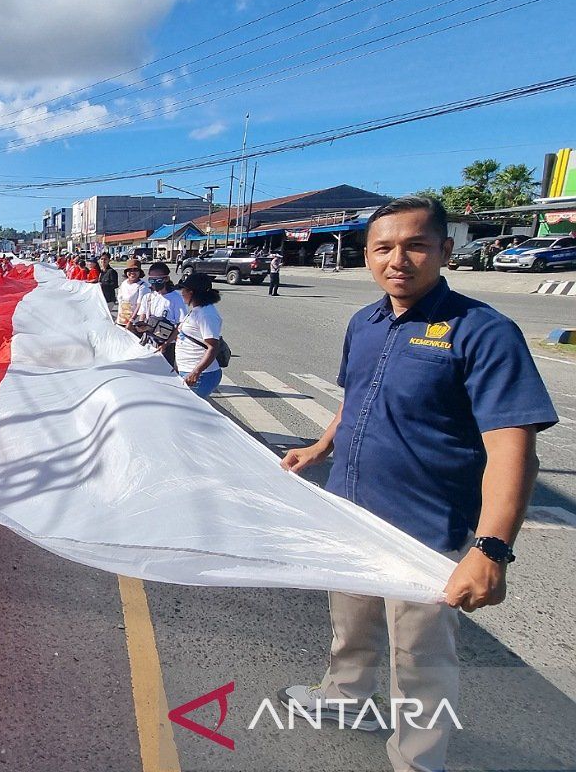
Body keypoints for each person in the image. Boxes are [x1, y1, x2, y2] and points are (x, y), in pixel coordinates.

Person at [278, 196, 557, 772]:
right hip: (353, 513)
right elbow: (354, 399)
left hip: (427, 530)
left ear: (445, 251)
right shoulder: (366, 322)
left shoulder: (484, 332)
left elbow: (514, 450)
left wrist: (491, 549)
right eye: (383, 247)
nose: (397, 259)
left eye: (415, 245)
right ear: (367, 256)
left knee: (421, 658)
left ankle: (417, 760)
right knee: (349, 624)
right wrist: (320, 446)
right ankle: (345, 699)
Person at [173, 272, 222, 398]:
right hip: (188, 370)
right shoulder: (197, 310)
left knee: (187, 412)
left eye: (184, 290)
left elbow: (213, 347)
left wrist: (196, 372)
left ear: (192, 292)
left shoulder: (206, 314)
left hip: (201, 375)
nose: (182, 293)